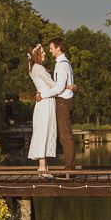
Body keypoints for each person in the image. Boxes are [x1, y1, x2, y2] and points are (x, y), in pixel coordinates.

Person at [35, 37, 75, 174]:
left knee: (65, 135)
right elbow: (61, 85)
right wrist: (69, 86)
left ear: (59, 48)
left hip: (63, 102)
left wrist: (43, 96)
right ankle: (69, 165)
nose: (50, 50)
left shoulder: (62, 64)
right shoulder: (62, 63)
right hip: (63, 100)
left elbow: (58, 88)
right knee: (64, 134)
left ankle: (70, 167)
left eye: (52, 48)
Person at [27, 45, 57, 178]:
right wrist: (67, 85)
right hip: (45, 103)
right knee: (44, 131)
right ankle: (42, 167)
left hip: (43, 103)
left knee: (42, 131)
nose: (45, 54)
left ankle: (44, 167)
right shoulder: (39, 68)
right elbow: (53, 85)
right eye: (42, 52)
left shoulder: (33, 68)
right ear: (37, 55)